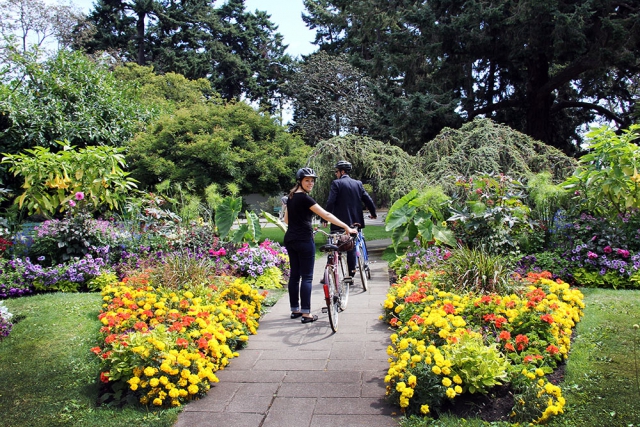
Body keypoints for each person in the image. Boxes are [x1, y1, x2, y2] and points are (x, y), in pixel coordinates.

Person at [284, 167, 358, 323]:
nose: (310, 183)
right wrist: (346, 227)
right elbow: (326, 215)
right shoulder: (305, 199)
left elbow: (286, 221)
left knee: (295, 276)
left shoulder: (290, 197)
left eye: (312, 180)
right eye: (307, 180)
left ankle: (295, 310)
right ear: (300, 181)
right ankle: (306, 314)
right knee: (307, 278)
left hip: (290, 239)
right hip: (304, 240)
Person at [322, 160, 377, 279]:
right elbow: (367, 199)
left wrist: (325, 218)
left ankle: (329, 274)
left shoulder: (336, 183)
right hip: (355, 222)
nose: (336, 174)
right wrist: (373, 213)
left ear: (342, 172)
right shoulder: (358, 184)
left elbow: (330, 201)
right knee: (351, 245)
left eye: (337, 171)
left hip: (339, 222)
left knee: (333, 245)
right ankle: (351, 274)